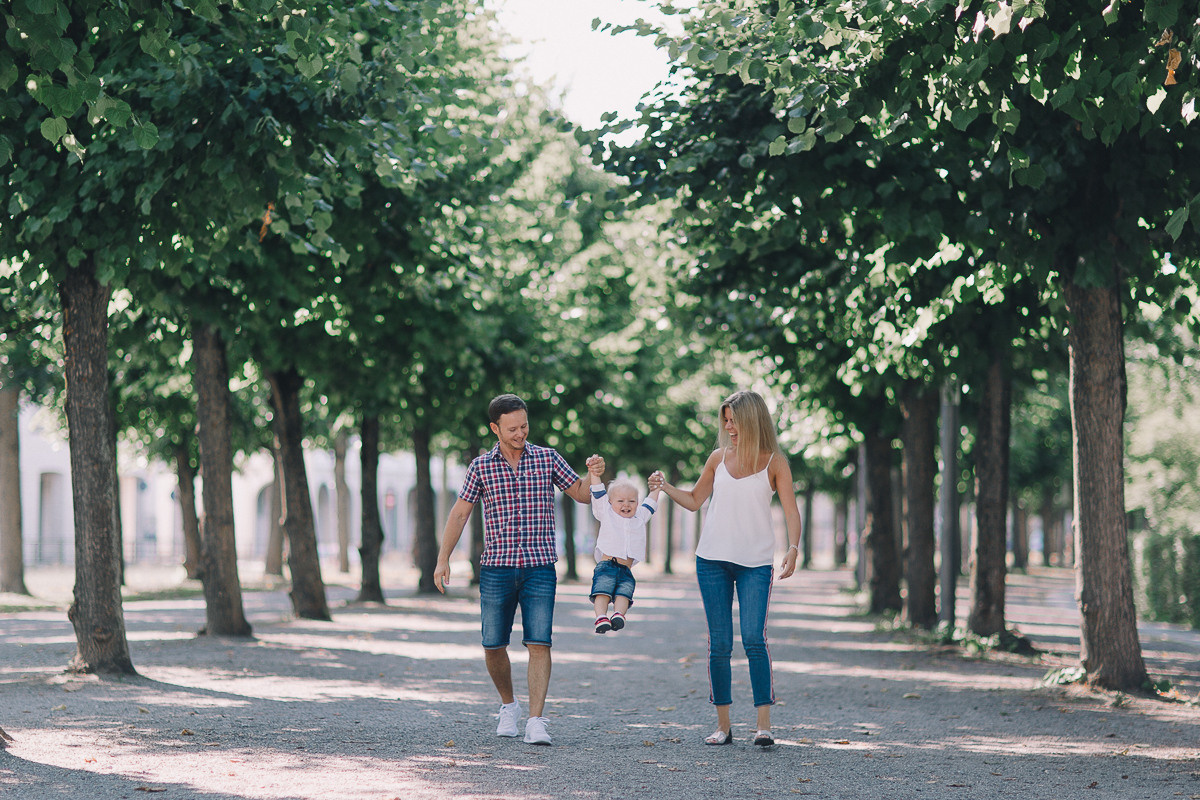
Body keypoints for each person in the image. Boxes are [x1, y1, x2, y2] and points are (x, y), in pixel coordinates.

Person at [434, 394, 601, 747]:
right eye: (512, 428)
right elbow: (460, 513)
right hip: (496, 568)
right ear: (495, 428)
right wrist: (442, 558)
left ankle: (536, 721)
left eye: (524, 426)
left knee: (539, 642)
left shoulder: (547, 458)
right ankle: (508, 706)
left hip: (539, 566)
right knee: (493, 644)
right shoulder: (481, 467)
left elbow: (583, 495)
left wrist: (594, 476)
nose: (520, 433)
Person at [652, 389, 802, 748]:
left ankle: (763, 726)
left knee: (753, 638)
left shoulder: (774, 462)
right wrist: (665, 487)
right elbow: (693, 501)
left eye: (734, 420)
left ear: (752, 419)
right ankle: (723, 726)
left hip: (756, 563)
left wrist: (793, 548)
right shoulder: (718, 459)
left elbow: (791, 510)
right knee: (719, 644)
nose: (729, 427)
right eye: (726, 420)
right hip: (712, 560)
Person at [586, 464, 660, 634]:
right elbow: (597, 492)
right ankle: (601, 617)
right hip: (607, 565)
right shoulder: (605, 511)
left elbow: (651, 502)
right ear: (610, 502)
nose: (626, 505)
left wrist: (656, 487)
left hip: (626, 569)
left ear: (637, 503)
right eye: (620, 501)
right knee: (602, 591)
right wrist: (594, 474)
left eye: (632, 501)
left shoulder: (639, 517)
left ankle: (618, 615)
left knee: (624, 594)